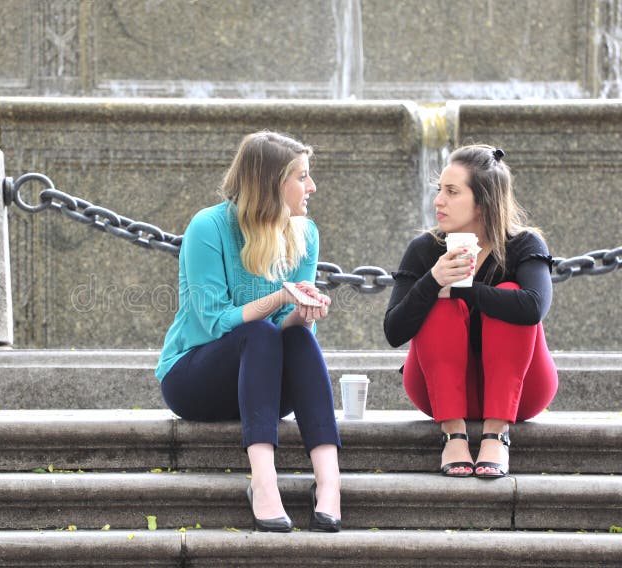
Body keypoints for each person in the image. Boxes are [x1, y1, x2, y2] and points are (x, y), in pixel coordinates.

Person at [155, 131, 342, 532]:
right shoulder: (209, 227)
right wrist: (279, 299)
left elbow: (285, 328)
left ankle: (329, 483)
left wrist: (304, 312)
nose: (311, 187)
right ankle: (263, 482)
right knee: (258, 333)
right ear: (273, 183)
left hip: (263, 385)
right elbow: (214, 322)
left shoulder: (305, 233)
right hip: (195, 379)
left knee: (296, 336)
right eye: (302, 177)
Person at [384, 144, 558, 479]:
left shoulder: (524, 245)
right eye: (439, 191)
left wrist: (466, 289)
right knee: (439, 300)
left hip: (522, 392)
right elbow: (394, 331)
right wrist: (433, 281)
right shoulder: (424, 249)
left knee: (510, 294)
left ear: (483, 202)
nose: (438, 201)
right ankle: (453, 434)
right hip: (438, 392)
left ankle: (496, 434)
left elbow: (534, 306)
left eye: (451, 192)